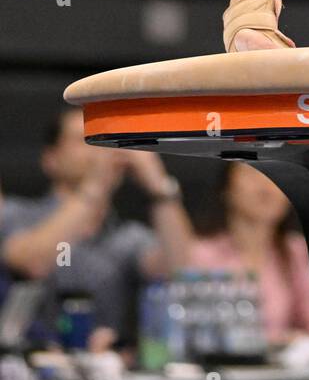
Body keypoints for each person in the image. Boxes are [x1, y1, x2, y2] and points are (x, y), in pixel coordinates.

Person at [0, 107, 192, 346]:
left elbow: (179, 270)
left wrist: (161, 189)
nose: (98, 152)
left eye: (104, 141)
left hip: (106, 369)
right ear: (51, 159)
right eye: (84, 140)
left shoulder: (126, 235)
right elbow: (33, 263)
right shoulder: (17, 214)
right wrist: (94, 190)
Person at [189, 163, 309, 345]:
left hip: (283, 368)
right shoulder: (199, 253)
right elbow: (196, 331)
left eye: (276, 177)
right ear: (225, 187)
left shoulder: (297, 250)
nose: (266, 186)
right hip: (221, 366)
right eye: (253, 173)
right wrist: (278, 340)